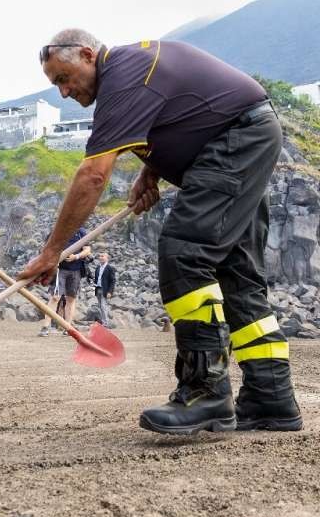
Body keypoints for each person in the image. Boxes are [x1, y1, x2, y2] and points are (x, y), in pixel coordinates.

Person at [20, 28, 301, 434]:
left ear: (86, 54)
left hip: (237, 138)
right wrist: (150, 172)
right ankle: (270, 398)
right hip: (245, 136)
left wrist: (53, 251)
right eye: (55, 85)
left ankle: (205, 392)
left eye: (63, 78)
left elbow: (92, 177)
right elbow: (184, 115)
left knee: (184, 252)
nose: (62, 92)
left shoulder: (121, 78)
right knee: (238, 274)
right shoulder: (135, 68)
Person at [37, 227, 91, 336]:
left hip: (76, 270)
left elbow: (87, 250)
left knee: (71, 299)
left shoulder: (81, 232)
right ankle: (45, 327)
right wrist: (52, 259)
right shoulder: (58, 229)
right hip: (60, 269)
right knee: (55, 297)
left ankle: (68, 327)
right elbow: (45, 248)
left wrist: (76, 256)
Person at [93, 252, 116, 327]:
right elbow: (97, 278)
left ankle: (106, 323)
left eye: (102, 256)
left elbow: (113, 281)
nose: (100, 257)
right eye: (99, 256)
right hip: (98, 289)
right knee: (100, 306)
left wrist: (110, 291)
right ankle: (103, 322)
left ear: (107, 258)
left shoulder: (110, 268)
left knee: (103, 306)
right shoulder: (98, 268)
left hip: (105, 290)